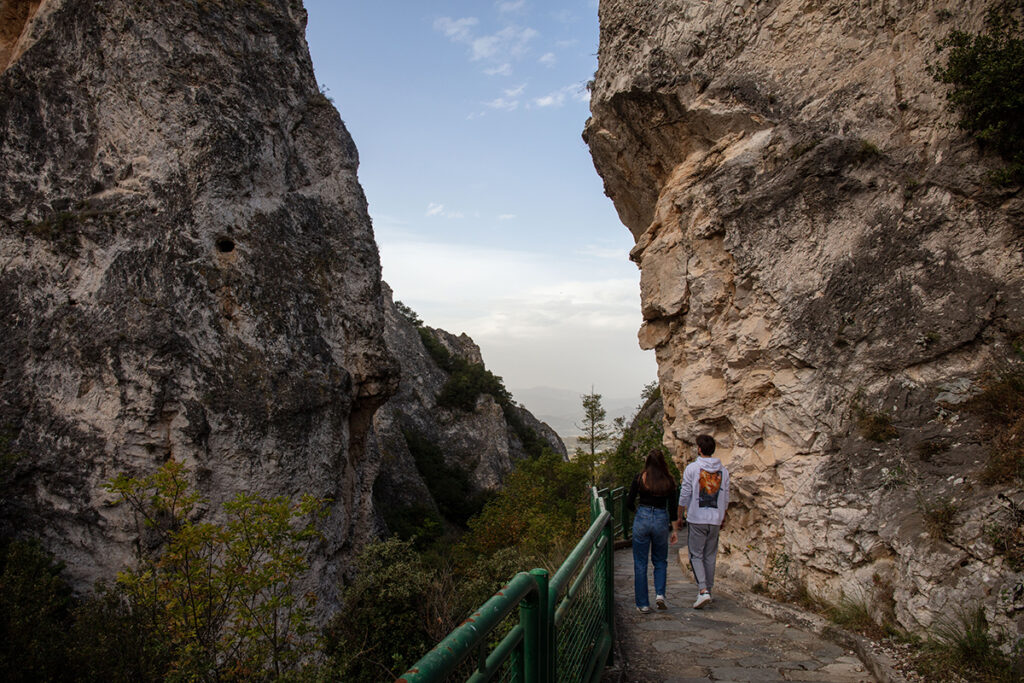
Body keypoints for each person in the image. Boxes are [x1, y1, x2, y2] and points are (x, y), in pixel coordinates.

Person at [676, 434, 730, 609]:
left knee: (696, 554)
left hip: (697, 517)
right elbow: (726, 495)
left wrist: (679, 515)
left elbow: (685, 494)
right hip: (715, 518)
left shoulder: (692, 468)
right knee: (710, 555)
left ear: (699, 449)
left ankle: (703, 590)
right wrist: (723, 516)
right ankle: (709, 590)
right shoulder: (724, 471)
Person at [626, 449, 679, 613]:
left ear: (647, 462)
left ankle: (643, 604)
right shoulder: (669, 481)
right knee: (660, 560)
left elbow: (629, 501)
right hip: (661, 520)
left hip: (642, 517)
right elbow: (673, 508)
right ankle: (660, 595)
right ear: (663, 463)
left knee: (640, 563)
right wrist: (675, 531)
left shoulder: (640, 478)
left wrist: (638, 512)